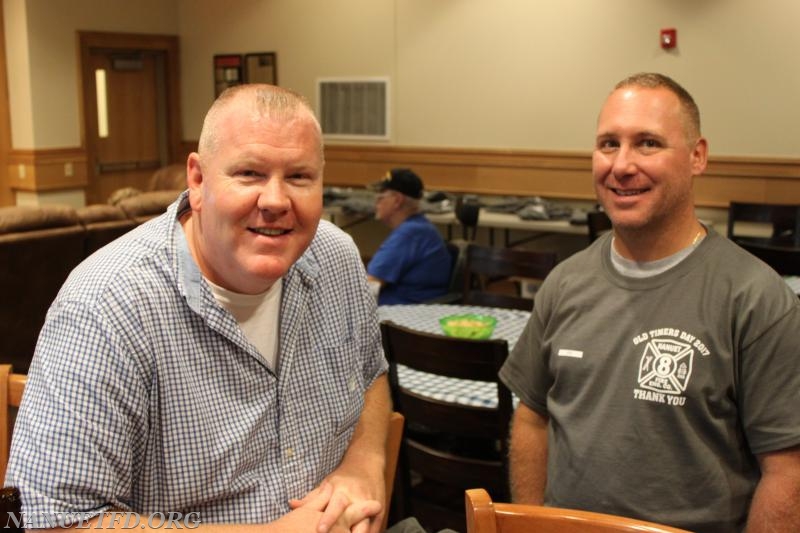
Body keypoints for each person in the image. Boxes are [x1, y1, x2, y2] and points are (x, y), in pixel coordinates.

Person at [6, 84, 393, 533]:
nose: (275, 201)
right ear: (197, 179)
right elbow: (44, 521)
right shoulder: (106, 306)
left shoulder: (336, 259)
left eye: (299, 177)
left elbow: (371, 374)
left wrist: (365, 463)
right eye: (249, 173)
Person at [499, 73, 800, 533]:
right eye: (607, 144)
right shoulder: (565, 283)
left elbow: (787, 473)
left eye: (647, 144)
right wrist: (531, 523)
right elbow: (533, 417)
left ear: (697, 156)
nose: (621, 165)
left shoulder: (756, 300)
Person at [366, 169, 452, 305]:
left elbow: (370, 286)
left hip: (403, 315)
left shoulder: (409, 234)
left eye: (380, 197)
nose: (376, 203)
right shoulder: (419, 228)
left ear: (397, 200)